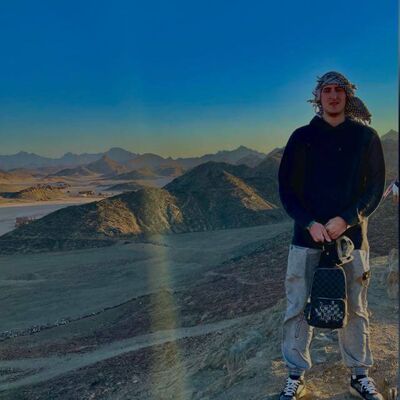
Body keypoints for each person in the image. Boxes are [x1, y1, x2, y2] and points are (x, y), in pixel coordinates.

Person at [277, 71, 386, 400]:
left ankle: (359, 375)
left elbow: (374, 189)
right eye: (327, 90)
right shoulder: (301, 137)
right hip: (305, 239)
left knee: (355, 308)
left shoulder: (365, 137)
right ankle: (295, 376)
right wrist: (309, 222)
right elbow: (287, 190)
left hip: (351, 242)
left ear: (348, 96)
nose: (334, 96)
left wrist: (348, 219)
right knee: (297, 306)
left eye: (340, 90)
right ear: (318, 96)